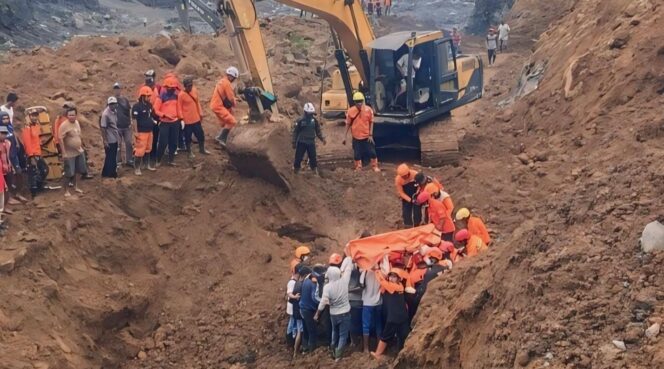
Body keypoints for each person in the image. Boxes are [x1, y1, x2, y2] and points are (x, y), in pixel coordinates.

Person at [315, 256, 354, 361]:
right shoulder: (344, 281)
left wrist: (317, 314)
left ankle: (332, 347)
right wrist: (349, 255)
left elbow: (323, 302)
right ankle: (338, 356)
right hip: (345, 313)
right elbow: (349, 267)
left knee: (334, 331)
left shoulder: (327, 287)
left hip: (333, 314)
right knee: (343, 335)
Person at [371, 266, 410, 360]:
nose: (391, 278)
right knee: (402, 336)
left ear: (399, 279)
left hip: (395, 317)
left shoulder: (396, 287)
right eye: (391, 276)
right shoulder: (395, 286)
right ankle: (401, 355)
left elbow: (382, 281)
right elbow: (383, 284)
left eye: (394, 277)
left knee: (386, 336)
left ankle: (377, 354)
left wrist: (376, 270)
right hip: (401, 316)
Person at [342, 92, 380, 172]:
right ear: (354, 102)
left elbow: (371, 122)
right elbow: (348, 124)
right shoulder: (350, 111)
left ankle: (374, 166)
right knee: (357, 154)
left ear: (363, 101)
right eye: (357, 101)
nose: (359, 103)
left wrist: (370, 134)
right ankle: (358, 167)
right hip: (356, 136)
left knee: (372, 152)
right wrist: (344, 137)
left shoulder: (368, 110)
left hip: (367, 136)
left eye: (360, 101)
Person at [58, 106, 87, 197]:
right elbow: (60, 139)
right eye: (70, 115)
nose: (71, 117)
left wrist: (82, 145)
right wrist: (63, 152)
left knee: (78, 170)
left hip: (78, 151)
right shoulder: (64, 125)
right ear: (67, 116)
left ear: (76, 115)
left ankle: (75, 186)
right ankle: (66, 190)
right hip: (69, 153)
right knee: (69, 172)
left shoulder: (77, 123)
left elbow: (79, 135)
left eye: (73, 115)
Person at [178, 76, 210, 158]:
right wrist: (181, 119)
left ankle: (202, 149)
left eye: (191, 85)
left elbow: (197, 102)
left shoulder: (194, 90)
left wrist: (200, 112)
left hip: (196, 118)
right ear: (185, 86)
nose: (190, 87)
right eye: (188, 86)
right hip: (187, 121)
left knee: (200, 134)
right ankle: (189, 152)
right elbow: (179, 108)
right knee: (188, 137)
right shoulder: (181, 95)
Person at [154, 77, 182, 166]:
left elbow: (179, 108)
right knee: (163, 142)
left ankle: (171, 160)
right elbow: (155, 109)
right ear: (166, 87)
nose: (172, 89)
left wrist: (181, 119)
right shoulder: (161, 96)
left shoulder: (177, 95)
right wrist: (164, 115)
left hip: (175, 122)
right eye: (170, 87)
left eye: (173, 88)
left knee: (173, 142)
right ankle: (158, 159)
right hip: (164, 122)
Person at [292, 102, 326, 175]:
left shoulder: (314, 121)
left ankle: (314, 170)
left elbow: (318, 131)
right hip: (302, 142)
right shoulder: (300, 120)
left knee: (313, 157)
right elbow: (295, 132)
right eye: (309, 113)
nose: (311, 115)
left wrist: (322, 138)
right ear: (305, 112)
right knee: (298, 157)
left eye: (311, 113)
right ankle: (296, 170)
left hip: (311, 142)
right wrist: (294, 142)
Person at [21, 109, 48, 197]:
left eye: (36, 115)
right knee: (33, 174)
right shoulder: (27, 128)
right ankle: (33, 193)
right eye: (32, 115)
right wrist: (31, 157)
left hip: (38, 153)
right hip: (32, 155)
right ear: (29, 117)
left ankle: (39, 187)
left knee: (44, 170)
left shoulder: (37, 126)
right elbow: (27, 143)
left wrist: (41, 142)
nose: (34, 117)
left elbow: (37, 140)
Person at [210, 66, 239, 147]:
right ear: (231, 76)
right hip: (218, 106)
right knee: (232, 122)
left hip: (214, 105)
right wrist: (235, 103)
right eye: (234, 78)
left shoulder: (221, 81)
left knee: (225, 123)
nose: (234, 80)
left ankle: (220, 137)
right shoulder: (227, 84)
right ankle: (221, 139)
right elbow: (230, 98)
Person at [132, 86, 158, 175]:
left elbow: (149, 115)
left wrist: (153, 121)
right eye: (148, 96)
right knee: (139, 151)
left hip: (149, 131)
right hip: (141, 132)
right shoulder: (136, 107)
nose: (149, 97)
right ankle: (137, 168)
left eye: (150, 96)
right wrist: (135, 132)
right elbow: (134, 120)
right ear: (143, 96)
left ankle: (146, 165)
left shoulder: (149, 105)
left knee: (148, 149)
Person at [359, 268, 383, 352]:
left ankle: (366, 348)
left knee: (366, 326)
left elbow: (361, 285)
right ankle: (379, 348)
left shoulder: (365, 271)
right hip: (379, 301)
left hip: (367, 302)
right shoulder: (381, 271)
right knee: (379, 325)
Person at [299, 266, 320, 353]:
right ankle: (312, 351)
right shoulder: (312, 283)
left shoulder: (305, 281)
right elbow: (314, 297)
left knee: (306, 330)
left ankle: (305, 348)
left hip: (303, 308)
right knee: (312, 331)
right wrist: (321, 302)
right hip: (308, 309)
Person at [143, 70, 162, 165]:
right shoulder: (143, 88)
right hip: (146, 116)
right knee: (144, 138)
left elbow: (161, 100)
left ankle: (153, 156)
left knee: (154, 137)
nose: (148, 79)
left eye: (150, 77)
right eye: (147, 77)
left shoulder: (158, 87)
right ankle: (144, 157)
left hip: (155, 116)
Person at [113, 82, 133, 167]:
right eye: (115, 88)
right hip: (116, 126)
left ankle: (129, 159)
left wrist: (130, 121)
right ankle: (118, 161)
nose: (117, 90)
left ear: (121, 89)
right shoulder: (111, 101)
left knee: (128, 142)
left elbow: (129, 111)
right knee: (118, 144)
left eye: (118, 88)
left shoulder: (125, 100)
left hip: (126, 126)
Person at [395, 163, 421, 228]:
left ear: (408, 172)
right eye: (402, 176)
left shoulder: (415, 174)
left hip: (415, 194)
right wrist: (410, 200)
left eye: (405, 176)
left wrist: (417, 194)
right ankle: (408, 226)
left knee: (417, 211)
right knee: (406, 212)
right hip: (406, 196)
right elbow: (401, 192)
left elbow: (420, 185)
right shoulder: (398, 180)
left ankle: (417, 225)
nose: (404, 178)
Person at [100, 97, 120, 178]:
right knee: (110, 157)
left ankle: (108, 173)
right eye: (111, 104)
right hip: (109, 139)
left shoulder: (114, 111)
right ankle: (109, 174)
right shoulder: (105, 114)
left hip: (114, 138)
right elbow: (103, 128)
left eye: (113, 104)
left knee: (112, 156)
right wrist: (105, 140)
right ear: (108, 104)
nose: (112, 105)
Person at [0, 125, 11, 226]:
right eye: (1, 133)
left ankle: (4, 208)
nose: (3, 135)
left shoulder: (7, 143)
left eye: (4, 133)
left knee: (6, 192)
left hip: (6, 171)